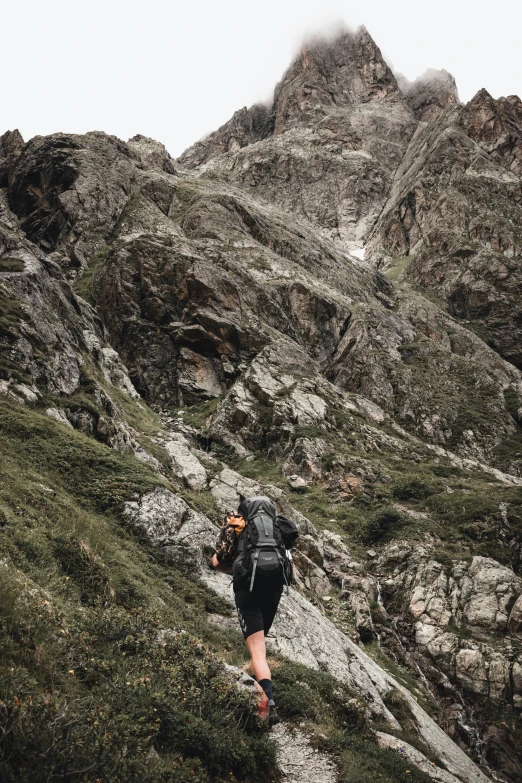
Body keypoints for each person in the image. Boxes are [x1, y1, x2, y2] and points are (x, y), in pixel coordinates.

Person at [211, 495, 298, 724]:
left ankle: (268, 705)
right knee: (261, 645)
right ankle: (261, 685)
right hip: (273, 591)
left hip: (247, 593)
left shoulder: (238, 527)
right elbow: (291, 572)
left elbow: (217, 563)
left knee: (257, 651)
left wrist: (241, 570)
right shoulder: (278, 529)